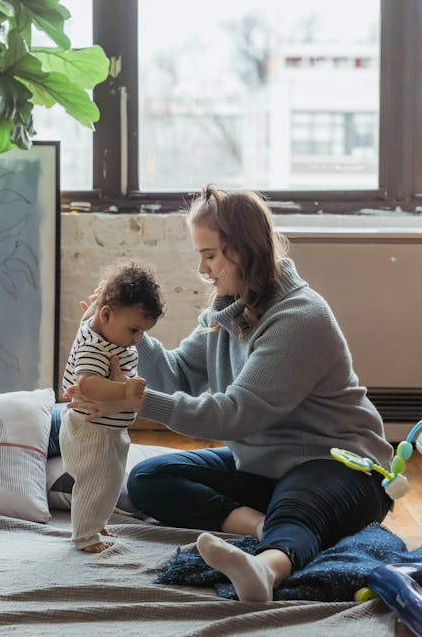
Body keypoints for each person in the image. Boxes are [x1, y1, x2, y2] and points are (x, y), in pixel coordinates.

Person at [66, 186, 393, 598]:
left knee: (300, 502)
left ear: (243, 249)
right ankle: (263, 526)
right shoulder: (226, 310)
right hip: (264, 465)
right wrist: (128, 332)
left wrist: (133, 398)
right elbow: (177, 375)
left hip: (340, 464)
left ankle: (265, 569)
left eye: (209, 255)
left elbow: (235, 415)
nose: (203, 270)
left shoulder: (300, 318)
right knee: (149, 478)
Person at [60, 259, 164, 553]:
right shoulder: (95, 346)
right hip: (92, 430)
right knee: (97, 480)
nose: (137, 339)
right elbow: (87, 384)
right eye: (133, 330)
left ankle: (97, 522)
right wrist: (124, 389)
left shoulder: (107, 330)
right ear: (105, 315)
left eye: (142, 332)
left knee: (112, 479)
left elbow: (102, 309)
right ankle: (85, 536)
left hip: (111, 429)